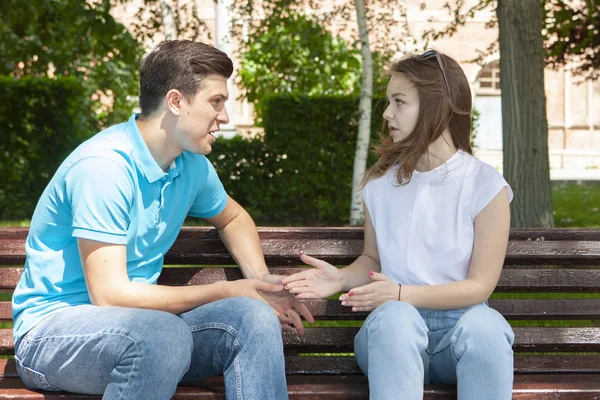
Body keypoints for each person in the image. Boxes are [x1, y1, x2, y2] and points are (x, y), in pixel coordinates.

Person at [12, 40, 313, 400]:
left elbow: (233, 218)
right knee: (161, 335)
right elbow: (109, 295)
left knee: (254, 318)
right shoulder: (104, 167)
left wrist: (260, 282)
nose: (226, 116)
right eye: (216, 102)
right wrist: (227, 289)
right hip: (53, 337)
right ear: (176, 101)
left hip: (147, 332)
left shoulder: (191, 166)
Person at [281, 50, 514, 400]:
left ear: (436, 106)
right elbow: (373, 260)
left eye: (399, 101)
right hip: (393, 337)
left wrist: (404, 293)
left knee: (487, 328)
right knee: (395, 318)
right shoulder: (380, 185)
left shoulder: (486, 186)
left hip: (459, 335)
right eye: (388, 101)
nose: (388, 113)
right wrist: (342, 278)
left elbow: (479, 286)